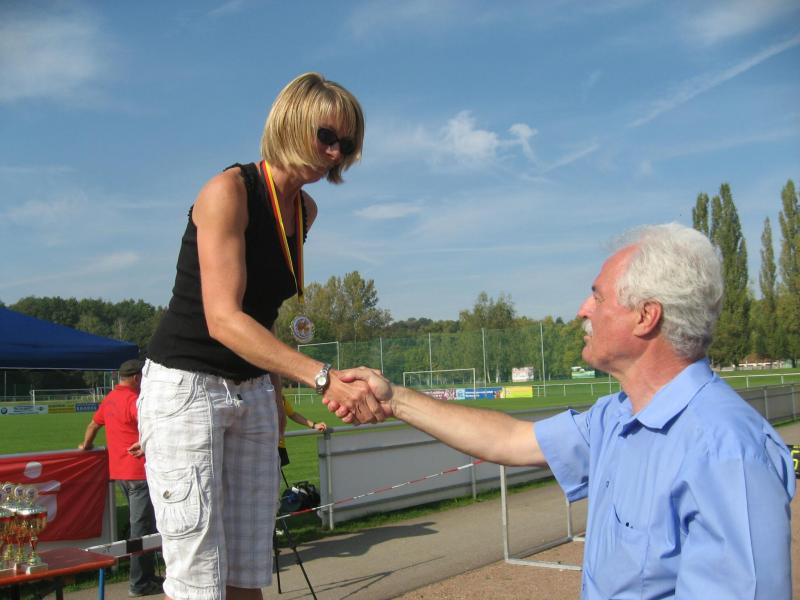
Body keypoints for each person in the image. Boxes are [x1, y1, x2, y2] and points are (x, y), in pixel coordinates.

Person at [331, 223, 795, 599]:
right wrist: (394, 400)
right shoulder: (616, 418)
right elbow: (509, 441)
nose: (582, 310)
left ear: (645, 316)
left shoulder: (727, 451)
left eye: (598, 296)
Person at [138, 72, 382, 600]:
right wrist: (321, 377)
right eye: (327, 136)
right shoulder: (228, 191)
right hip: (188, 385)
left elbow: (261, 310)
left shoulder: (305, 210)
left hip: (251, 390)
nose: (335, 153)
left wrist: (272, 387)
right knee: (199, 577)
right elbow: (224, 319)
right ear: (291, 123)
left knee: (249, 568)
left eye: (346, 145)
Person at [78, 359, 161, 598]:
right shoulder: (135, 400)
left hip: (119, 472)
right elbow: (153, 428)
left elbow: (92, 426)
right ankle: (139, 582)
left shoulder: (110, 399)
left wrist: (86, 446)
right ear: (136, 378)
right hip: (140, 472)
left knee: (144, 527)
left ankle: (146, 576)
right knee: (142, 529)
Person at [278, 392, 328, 468]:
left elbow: (292, 414)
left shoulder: (280, 397)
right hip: (265, 446)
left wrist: (314, 425)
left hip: (279, 445)